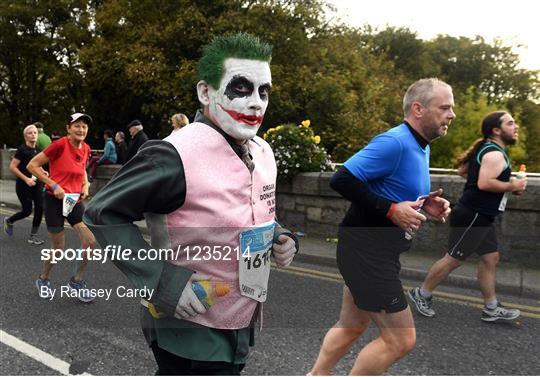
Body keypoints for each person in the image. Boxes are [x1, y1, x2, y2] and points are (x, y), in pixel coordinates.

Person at [84, 33, 298, 375]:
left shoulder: (262, 151)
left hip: (241, 317)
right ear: (205, 92)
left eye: (264, 91)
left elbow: (255, 209)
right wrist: (162, 281)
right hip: (189, 328)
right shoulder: (172, 154)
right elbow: (101, 212)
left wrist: (282, 235)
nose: (257, 103)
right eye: (241, 88)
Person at [309, 78, 454, 376]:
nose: (451, 114)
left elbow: (391, 188)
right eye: (444, 107)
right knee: (400, 340)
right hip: (368, 253)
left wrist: (424, 203)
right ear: (418, 109)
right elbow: (341, 179)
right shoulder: (395, 142)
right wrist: (389, 210)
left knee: (352, 325)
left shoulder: (419, 145)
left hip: (371, 251)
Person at [409, 111, 526, 322]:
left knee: (491, 258)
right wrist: (512, 185)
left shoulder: (486, 149)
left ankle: (491, 307)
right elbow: (484, 183)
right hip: (474, 215)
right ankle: (422, 293)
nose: (515, 126)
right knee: (454, 259)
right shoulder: (494, 154)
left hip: (482, 215)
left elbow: (463, 171)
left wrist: (505, 186)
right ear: (496, 130)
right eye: (510, 123)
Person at [27, 113, 97, 302]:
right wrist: (53, 185)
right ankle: (43, 278)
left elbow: (82, 168)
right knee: (59, 248)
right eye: (77, 126)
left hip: (73, 201)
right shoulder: (59, 145)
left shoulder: (86, 148)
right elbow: (32, 165)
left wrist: (85, 185)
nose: (81, 130)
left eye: (84, 127)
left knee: (90, 241)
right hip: (54, 201)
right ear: (68, 128)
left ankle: (76, 281)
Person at [3, 124, 45, 244]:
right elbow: (12, 167)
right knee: (27, 211)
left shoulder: (38, 150)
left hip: (36, 183)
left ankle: (33, 236)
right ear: (25, 136)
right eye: (30, 133)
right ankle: (9, 220)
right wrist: (26, 179)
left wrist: (43, 171)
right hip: (23, 185)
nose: (33, 134)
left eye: (35, 133)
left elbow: (37, 166)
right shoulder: (22, 150)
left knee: (40, 207)